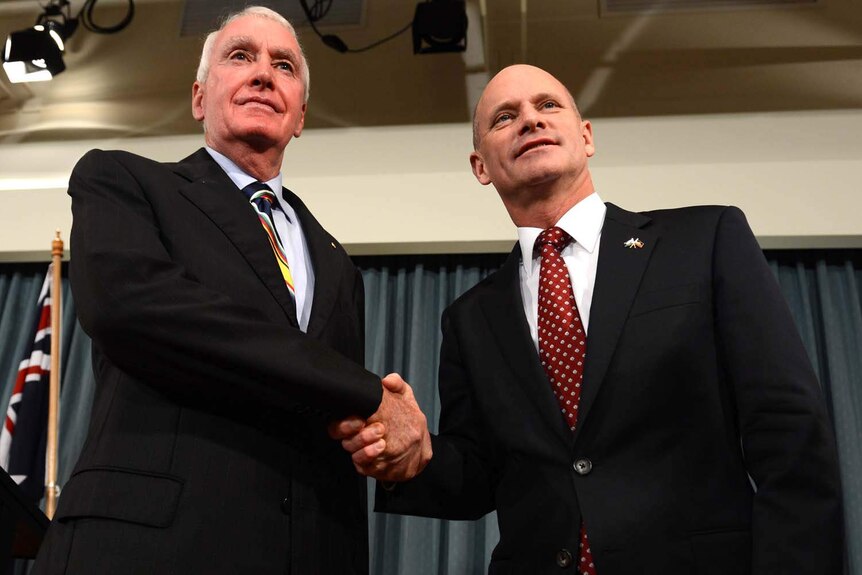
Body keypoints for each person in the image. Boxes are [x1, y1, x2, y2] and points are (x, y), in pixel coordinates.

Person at [333, 65, 844, 574]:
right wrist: (411, 457)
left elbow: (788, 431)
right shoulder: (469, 318)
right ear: (480, 166)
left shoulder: (705, 241)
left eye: (547, 106)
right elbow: (481, 475)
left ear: (586, 136)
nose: (530, 121)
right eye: (504, 117)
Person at [32, 7, 428, 574]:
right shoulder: (123, 180)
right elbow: (136, 309)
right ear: (199, 97)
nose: (264, 74)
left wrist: (381, 440)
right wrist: (369, 394)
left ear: (301, 117)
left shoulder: (339, 266)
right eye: (241, 56)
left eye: (284, 65)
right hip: (148, 549)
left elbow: (326, 415)